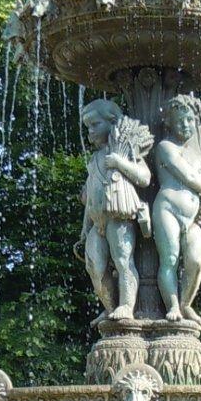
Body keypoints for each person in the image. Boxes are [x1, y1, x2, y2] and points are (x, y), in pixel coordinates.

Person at [152, 93, 201, 325]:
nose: (186, 125)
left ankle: (186, 303)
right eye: (180, 121)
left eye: (190, 121)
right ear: (170, 124)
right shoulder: (165, 147)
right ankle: (172, 306)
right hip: (167, 207)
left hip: (193, 216)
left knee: (196, 260)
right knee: (171, 257)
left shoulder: (196, 151)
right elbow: (187, 175)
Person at [77, 98, 152, 322]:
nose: (90, 132)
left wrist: (120, 163)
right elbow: (89, 196)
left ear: (113, 122)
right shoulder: (94, 159)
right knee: (95, 268)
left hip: (119, 215)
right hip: (96, 220)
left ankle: (127, 306)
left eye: (94, 125)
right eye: (88, 127)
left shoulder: (126, 149)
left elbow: (145, 178)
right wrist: (84, 228)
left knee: (123, 260)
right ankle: (110, 308)